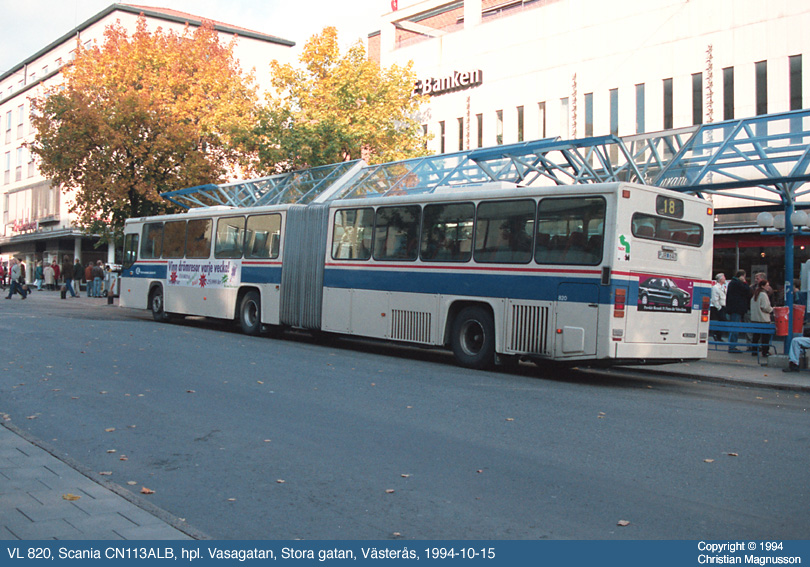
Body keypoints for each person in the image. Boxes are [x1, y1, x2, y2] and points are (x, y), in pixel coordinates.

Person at [725, 270, 751, 352]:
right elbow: (747, 290)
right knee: (735, 327)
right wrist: (745, 282)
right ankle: (732, 346)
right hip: (736, 308)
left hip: (734, 308)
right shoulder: (737, 284)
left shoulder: (732, 283)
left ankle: (732, 345)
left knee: (734, 327)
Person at [749, 278, 774, 357]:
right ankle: (765, 351)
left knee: (756, 336)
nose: (768, 287)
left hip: (755, 318)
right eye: (767, 285)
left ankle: (754, 351)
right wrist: (772, 309)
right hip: (763, 318)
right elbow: (765, 307)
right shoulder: (763, 294)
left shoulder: (755, 294)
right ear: (763, 286)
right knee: (765, 337)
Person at [710, 273, 727, 340]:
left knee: (722, 321)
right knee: (719, 321)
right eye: (724, 277)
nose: (725, 279)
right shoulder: (715, 287)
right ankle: (716, 335)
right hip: (716, 307)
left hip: (722, 306)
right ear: (720, 279)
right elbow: (714, 299)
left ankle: (718, 336)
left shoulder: (723, 288)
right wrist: (719, 307)